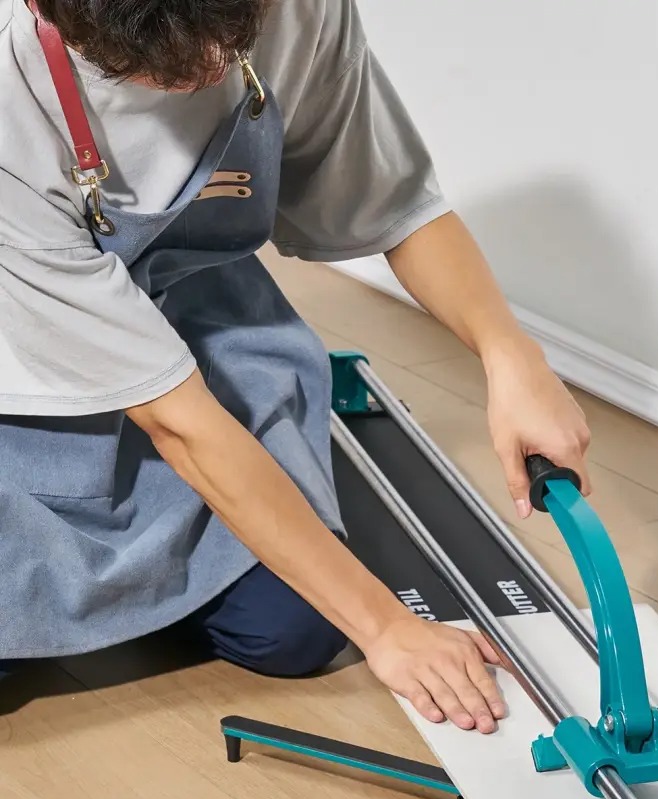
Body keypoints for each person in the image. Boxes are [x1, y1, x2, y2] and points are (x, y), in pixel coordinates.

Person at [0, 0, 592, 734]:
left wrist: (513, 358)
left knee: (294, 628)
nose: (210, 67)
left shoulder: (295, 7)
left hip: (193, 319)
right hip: (22, 366)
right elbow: (180, 425)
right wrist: (387, 629)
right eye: (162, 56)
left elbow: (396, 205)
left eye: (228, 36)